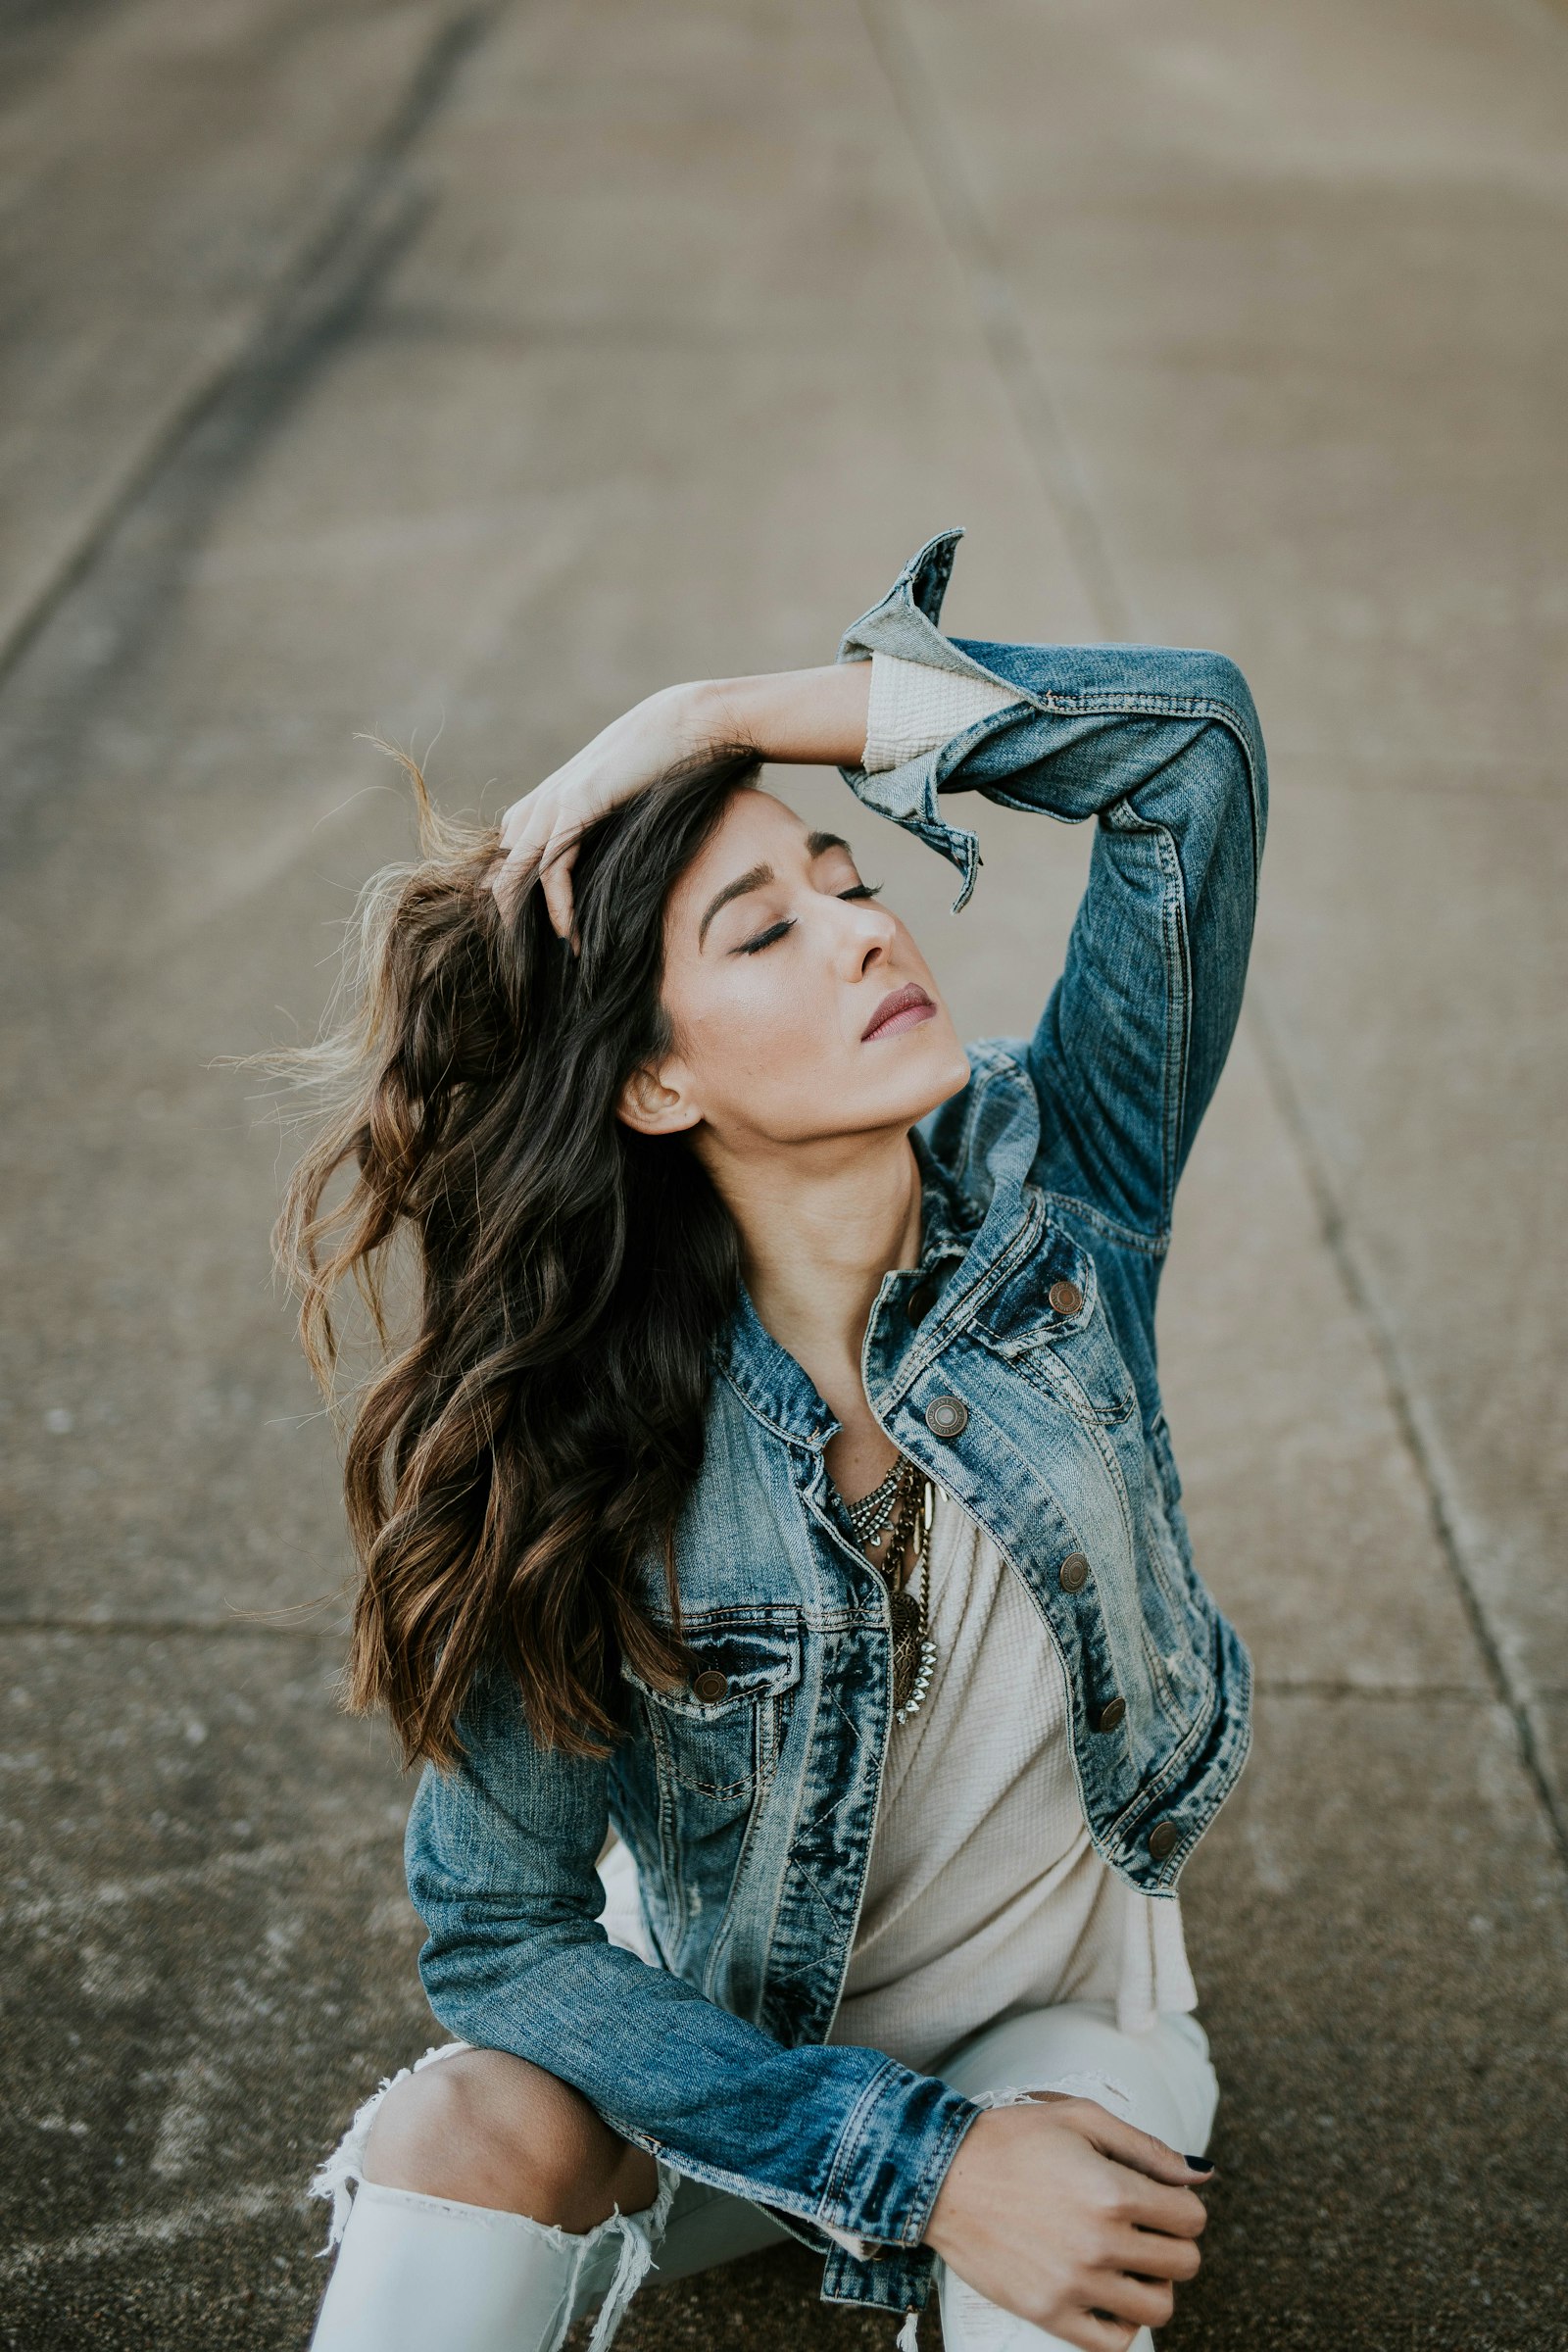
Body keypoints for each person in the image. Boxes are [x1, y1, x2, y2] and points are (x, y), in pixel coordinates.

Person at [277, 529, 1266, 2352]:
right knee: (458, 2119)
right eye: (768, 930)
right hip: (750, 2078)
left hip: (1062, 2044)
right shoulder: (582, 1438)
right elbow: (505, 1938)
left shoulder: (1072, 1208)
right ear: (658, 1082)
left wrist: (715, 715)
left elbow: (1189, 753)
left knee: (1057, 2236)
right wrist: (905, 2160)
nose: (868, 925)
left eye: (846, 878)